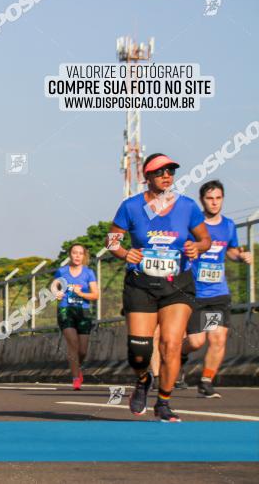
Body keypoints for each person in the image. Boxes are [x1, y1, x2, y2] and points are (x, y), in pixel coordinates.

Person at [107, 153, 210, 422]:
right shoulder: (131, 207)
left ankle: (163, 402)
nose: (167, 176)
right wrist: (124, 253)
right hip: (141, 284)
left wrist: (196, 247)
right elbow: (112, 241)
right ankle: (143, 380)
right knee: (139, 351)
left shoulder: (187, 206)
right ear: (147, 177)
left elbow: (205, 239)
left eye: (170, 171)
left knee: (171, 344)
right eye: (160, 172)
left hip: (178, 284)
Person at [182, 180, 253, 398]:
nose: (214, 202)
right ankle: (179, 355)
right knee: (196, 342)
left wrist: (240, 257)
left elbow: (230, 250)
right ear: (202, 200)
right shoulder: (194, 226)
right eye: (209, 198)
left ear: (222, 199)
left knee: (217, 339)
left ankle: (206, 381)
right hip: (195, 292)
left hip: (217, 293)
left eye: (218, 198)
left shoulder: (228, 225)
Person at [54, 243, 100, 390]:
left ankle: (77, 368)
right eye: (75, 253)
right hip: (65, 310)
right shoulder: (62, 271)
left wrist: (81, 294)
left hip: (83, 311)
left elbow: (95, 294)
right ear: (70, 255)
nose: (77, 256)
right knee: (72, 343)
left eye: (80, 253)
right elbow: (54, 286)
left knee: (82, 350)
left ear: (84, 256)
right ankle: (75, 378)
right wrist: (57, 293)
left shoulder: (89, 273)